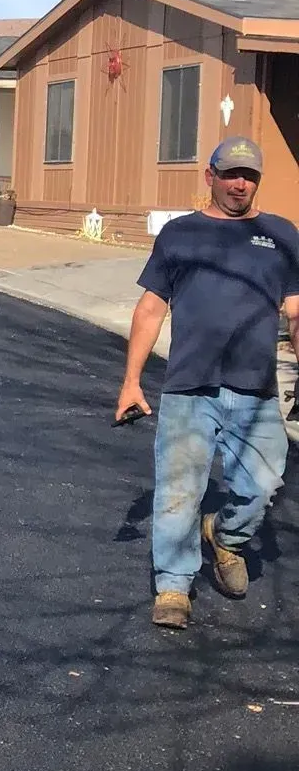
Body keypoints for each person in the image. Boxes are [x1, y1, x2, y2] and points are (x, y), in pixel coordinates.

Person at [116, 135, 299, 630]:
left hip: (254, 389)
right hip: (189, 388)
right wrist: (131, 381)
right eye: (231, 174)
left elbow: (297, 312)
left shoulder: (282, 235)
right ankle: (174, 586)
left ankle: (226, 536)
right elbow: (152, 307)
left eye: (250, 176)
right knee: (179, 489)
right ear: (210, 177)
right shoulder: (181, 234)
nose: (241, 184)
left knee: (263, 486)